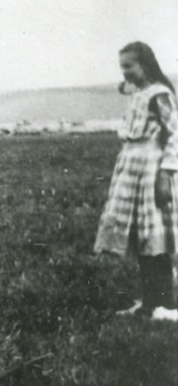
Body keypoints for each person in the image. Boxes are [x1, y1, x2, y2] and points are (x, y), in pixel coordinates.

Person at [94, 41, 178, 321]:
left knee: (157, 238)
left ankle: (166, 305)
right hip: (131, 171)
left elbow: (175, 135)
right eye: (122, 67)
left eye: (129, 65)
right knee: (142, 238)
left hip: (152, 171)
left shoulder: (160, 94)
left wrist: (166, 174)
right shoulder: (138, 94)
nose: (125, 72)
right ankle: (150, 302)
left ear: (145, 64)